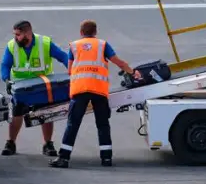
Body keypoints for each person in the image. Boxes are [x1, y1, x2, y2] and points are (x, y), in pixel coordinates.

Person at [49, 19, 140, 168]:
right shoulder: (103, 45)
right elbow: (119, 63)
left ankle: (64, 158)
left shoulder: (74, 46)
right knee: (103, 124)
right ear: (95, 32)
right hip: (99, 90)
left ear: (81, 32)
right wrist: (133, 72)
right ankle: (106, 158)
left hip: (80, 90)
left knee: (73, 124)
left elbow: (70, 70)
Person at [1, 20, 69, 157]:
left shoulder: (45, 43)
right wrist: (7, 80)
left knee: (47, 113)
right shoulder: (12, 45)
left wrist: (73, 71)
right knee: (17, 113)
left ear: (28, 33)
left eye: (18, 34)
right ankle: (11, 143)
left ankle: (48, 144)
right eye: (15, 34)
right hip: (21, 87)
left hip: (42, 86)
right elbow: (5, 65)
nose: (15, 37)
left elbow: (63, 57)